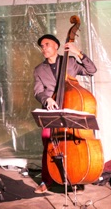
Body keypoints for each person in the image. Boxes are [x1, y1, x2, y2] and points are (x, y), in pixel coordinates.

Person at [33, 34, 97, 194]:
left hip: (71, 107)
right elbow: (38, 92)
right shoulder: (39, 70)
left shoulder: (71, 62)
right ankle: (46, 180)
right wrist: (47, 99)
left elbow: (92, 70)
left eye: (46, 44)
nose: (44, 48)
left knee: (75, 141)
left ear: (56, 45)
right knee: (48, 143)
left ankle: (76, 174)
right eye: (42, 46)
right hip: (52, 111)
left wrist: (79, 53)